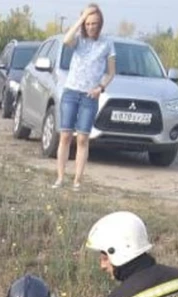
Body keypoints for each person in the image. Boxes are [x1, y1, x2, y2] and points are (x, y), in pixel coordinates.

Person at [53, 5, 115, 191]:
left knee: (82, 138)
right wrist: (81, 19)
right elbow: (66, 40)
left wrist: (101, 88)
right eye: (88, 23)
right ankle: (60, 177)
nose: (91, 27)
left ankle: (77, 181)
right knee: (65, 136)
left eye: (94, 23)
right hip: (71, 92)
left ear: (100, 24)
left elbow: (111, 72)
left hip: (90, 95)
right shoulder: (78, 40)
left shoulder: (107, 43)